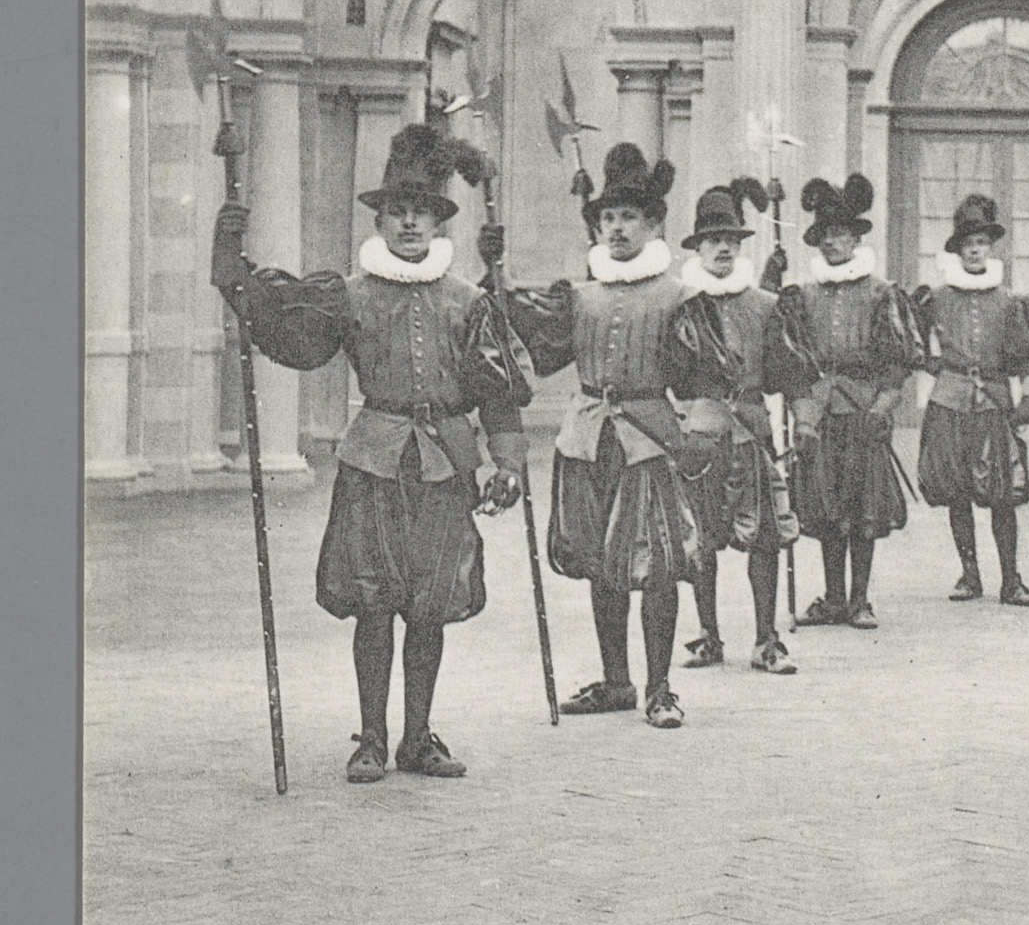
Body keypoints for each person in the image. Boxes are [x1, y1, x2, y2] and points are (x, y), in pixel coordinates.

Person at [211, 123, 528, 783]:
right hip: (374, 462)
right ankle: (373, 739)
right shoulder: (349, 293)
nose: (409, 221)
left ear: (440, 222)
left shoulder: (469, 301)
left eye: (422, 210)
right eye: (397, 210)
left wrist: (506, 461)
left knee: (431, 603)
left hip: (445, 463)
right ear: (381, 218)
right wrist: (231, 265)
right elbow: (291, 332)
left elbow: (497, 391)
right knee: (375, 601)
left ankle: (419, 736)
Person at [503, 144, 703, 730]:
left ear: (654, 225)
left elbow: (703, 376)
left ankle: (660, 688)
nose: (616, 229)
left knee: (658, 564)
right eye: (607, 219)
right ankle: (618, 682)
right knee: (600, 562)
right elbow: (533, 345)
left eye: (628, 219)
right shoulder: (579, 297)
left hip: (648, 441)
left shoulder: (679, 296)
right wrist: (501, 280)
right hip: (586, 440)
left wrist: (701, 432)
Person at [765, 174, 919, 631]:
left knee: (862, 510)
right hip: (818, 416)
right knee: (827, 509)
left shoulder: (881, 293)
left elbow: (898, 362)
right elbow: (788, 362)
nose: (834, 242)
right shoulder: (800, 297)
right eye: (827, 235)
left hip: (863, 414)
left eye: (842, 234)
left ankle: (859, 600)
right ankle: (833, 598)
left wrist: (882, 407)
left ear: (856, 238)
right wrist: (803, 415)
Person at [670, 178, 800, 676]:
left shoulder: (765, 306)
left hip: (751, 432)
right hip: (699, 435)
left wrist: (803, 421)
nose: (723, 247)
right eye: (713, 240)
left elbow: (789, 372)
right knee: (702, 540)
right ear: (698, 247)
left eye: (732, 240)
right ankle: (709, 635)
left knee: (764, 537)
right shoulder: (679, 305)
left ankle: (767, 639)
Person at [914, 195, 1029, 607]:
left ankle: (1011, 579)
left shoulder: (1011, 302)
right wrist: (930, 361)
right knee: (957, 492)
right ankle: (969, 574)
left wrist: (1028, 395)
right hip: (950, 403)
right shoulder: (936, 299)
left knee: (1001, 493)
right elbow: (906, 339)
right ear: (957, 250)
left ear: (991, 248)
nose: (974, 250)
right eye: (967, 243)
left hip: (993, 403)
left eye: (981, 242)